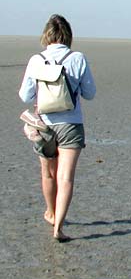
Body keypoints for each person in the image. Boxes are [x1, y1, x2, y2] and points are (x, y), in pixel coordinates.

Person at [19, 14, 96, 242]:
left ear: (47, 35)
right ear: (68, 35)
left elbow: (25, 96)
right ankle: (58, 228)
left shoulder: (36, 60)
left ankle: (51, 213)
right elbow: (90, 94)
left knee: (48, 173)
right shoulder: (77, 58)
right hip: (71, 124)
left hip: (44, 125)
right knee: (66, 177)